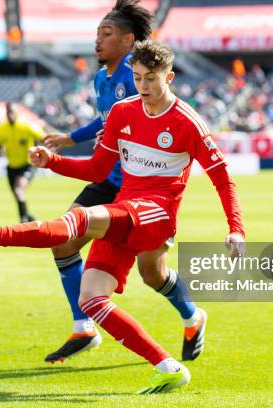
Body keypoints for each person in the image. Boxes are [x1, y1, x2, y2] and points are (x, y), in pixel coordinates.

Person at [0, 40, 245, 394]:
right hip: (125, 203)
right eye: (139, 78)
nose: (144, 87)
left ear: (169, 77)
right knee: (91, 300)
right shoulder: (124, 112)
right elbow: (98, 168)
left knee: (78, 222)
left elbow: (223, 178)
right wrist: (52, 162)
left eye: (152, 79)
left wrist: (236, 230)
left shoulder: (188, 122)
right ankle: (167, 366)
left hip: (156, 213)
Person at [42, 0, 205, 364]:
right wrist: (71, 138)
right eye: (97, 32)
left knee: (153, 273)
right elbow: (106, 122)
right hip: (108, 179)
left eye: (106, 33)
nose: (97, 40)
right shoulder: (102, 79)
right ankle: (83, 327)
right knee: (63, 242)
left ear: (129, 41)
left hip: (142, 186)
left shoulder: (139, 82)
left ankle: (193, 316)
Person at [0, 102, 44, 222]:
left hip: (27, 165)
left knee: (19, 190)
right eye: (8, 111)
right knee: (18, 195)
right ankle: (28, 218)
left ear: (17, 112)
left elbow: (44, 137)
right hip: (11, 167)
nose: (10, 114)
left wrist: (40, 150)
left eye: (12, 111)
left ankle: (23, 221)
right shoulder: (1, 129)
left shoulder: (27, 127)